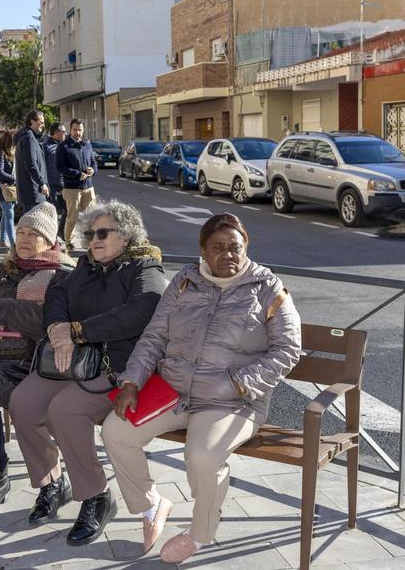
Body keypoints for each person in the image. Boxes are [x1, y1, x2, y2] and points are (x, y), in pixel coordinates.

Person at [102, 213, 301, 564]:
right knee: (115, 431)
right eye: (218, 248)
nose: (228, 255)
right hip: (174, 391)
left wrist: (238, 383)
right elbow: (155, 336)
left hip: (231, 401)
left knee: (204, 457)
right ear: (203, 252)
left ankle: (200, 533)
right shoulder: (184, 281)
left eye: (235, 248)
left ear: (246, 247)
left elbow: (288, 350)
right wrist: (132, 381)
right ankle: (151, 506)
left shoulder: (268, 288)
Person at [8, 201, 166, 546]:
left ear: (126, 236)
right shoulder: (84, 267)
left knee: (65, 409)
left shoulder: (144, 268)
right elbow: (56, 296)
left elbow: (141, 311)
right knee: (22, 402)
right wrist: (57, 328)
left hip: (117, 366)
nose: (94, 239)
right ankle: (52, 483)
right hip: (71, 361)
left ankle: (96, 496)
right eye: (90, 233)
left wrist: (78, 331)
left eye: (103, 232)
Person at [0, 202, 75, 519]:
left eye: (33, 234)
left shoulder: (60, 275)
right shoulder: (4, 269)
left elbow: (48, 321)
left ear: (49, 240)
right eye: (20, 232)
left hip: (32, 360)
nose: (23, 239)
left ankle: (46, 481)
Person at [55, 119, 97, 248]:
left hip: (88, 187)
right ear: (70, 130)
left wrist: (92, 170)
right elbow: (60, 167)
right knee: (72, 218)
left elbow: (94, 163)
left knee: (92, 217)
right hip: (72, 189)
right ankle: (69, 242)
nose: (78, 132)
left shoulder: (87, 145)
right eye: (75, 129)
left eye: (80, 130)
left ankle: (90, 242)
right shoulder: (63, 146)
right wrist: (77, 174)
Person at [14, 110, 49, 213]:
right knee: (33, 225)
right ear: (32, 121)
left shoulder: (29, 137)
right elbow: (31, 164)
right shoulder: (29, 138)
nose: (43, 125)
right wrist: (42, 183)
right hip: (33, 192)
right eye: (41, 122)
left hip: (33, 192)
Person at [43, 122, 69, 242]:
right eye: (63, 132)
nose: (65, 134)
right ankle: (51, 238)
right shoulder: (46, 146)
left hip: (65, 184)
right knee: (52, 212)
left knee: (68, 210)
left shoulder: (65, 145)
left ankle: (60, 230)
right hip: (51, 184)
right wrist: (44, 183)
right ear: (56, 133)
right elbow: (42, 166)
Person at [0, 130, 17, 248]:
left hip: (8, 189)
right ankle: (13, 243)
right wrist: (14, 179)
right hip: (2, 188)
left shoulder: (10, 153)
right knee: (10, 214)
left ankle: (2, 241)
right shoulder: (0, 153)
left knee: (6, 215)